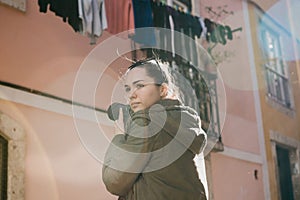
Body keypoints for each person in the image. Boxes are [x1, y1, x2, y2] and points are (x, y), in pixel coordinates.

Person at [102, 57, 207, 200]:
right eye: (128, 88)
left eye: (140, 86)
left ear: (162, 90)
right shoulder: (183, 122)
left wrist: (119, 136)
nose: (132, 95)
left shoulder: (145, 123)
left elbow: (115, 181)